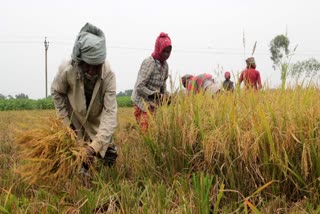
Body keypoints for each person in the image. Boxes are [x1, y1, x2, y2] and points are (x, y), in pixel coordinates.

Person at [51, 23, 118, 167]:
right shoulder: (68, 70)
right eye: (88, 65)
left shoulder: (109, 75)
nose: (93, 71)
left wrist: (94, 147)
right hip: (74, 118)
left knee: (109, 156)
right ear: (80, 62)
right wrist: (66, 124)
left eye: (97, 66)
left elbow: (110, 113)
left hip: (96, 120)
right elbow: (57, 92)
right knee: (75, 159)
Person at [131, 32, 172, 132]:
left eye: (168, 52)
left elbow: (163, 87)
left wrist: (167, 97)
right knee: (146, 132)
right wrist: (155, 95)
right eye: (164, 51)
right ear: (158, 49)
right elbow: (139, 87)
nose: (166, 54)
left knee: (154, 130)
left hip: (153, 104)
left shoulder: (165, 66)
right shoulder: (149, 63)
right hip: (142, 103)